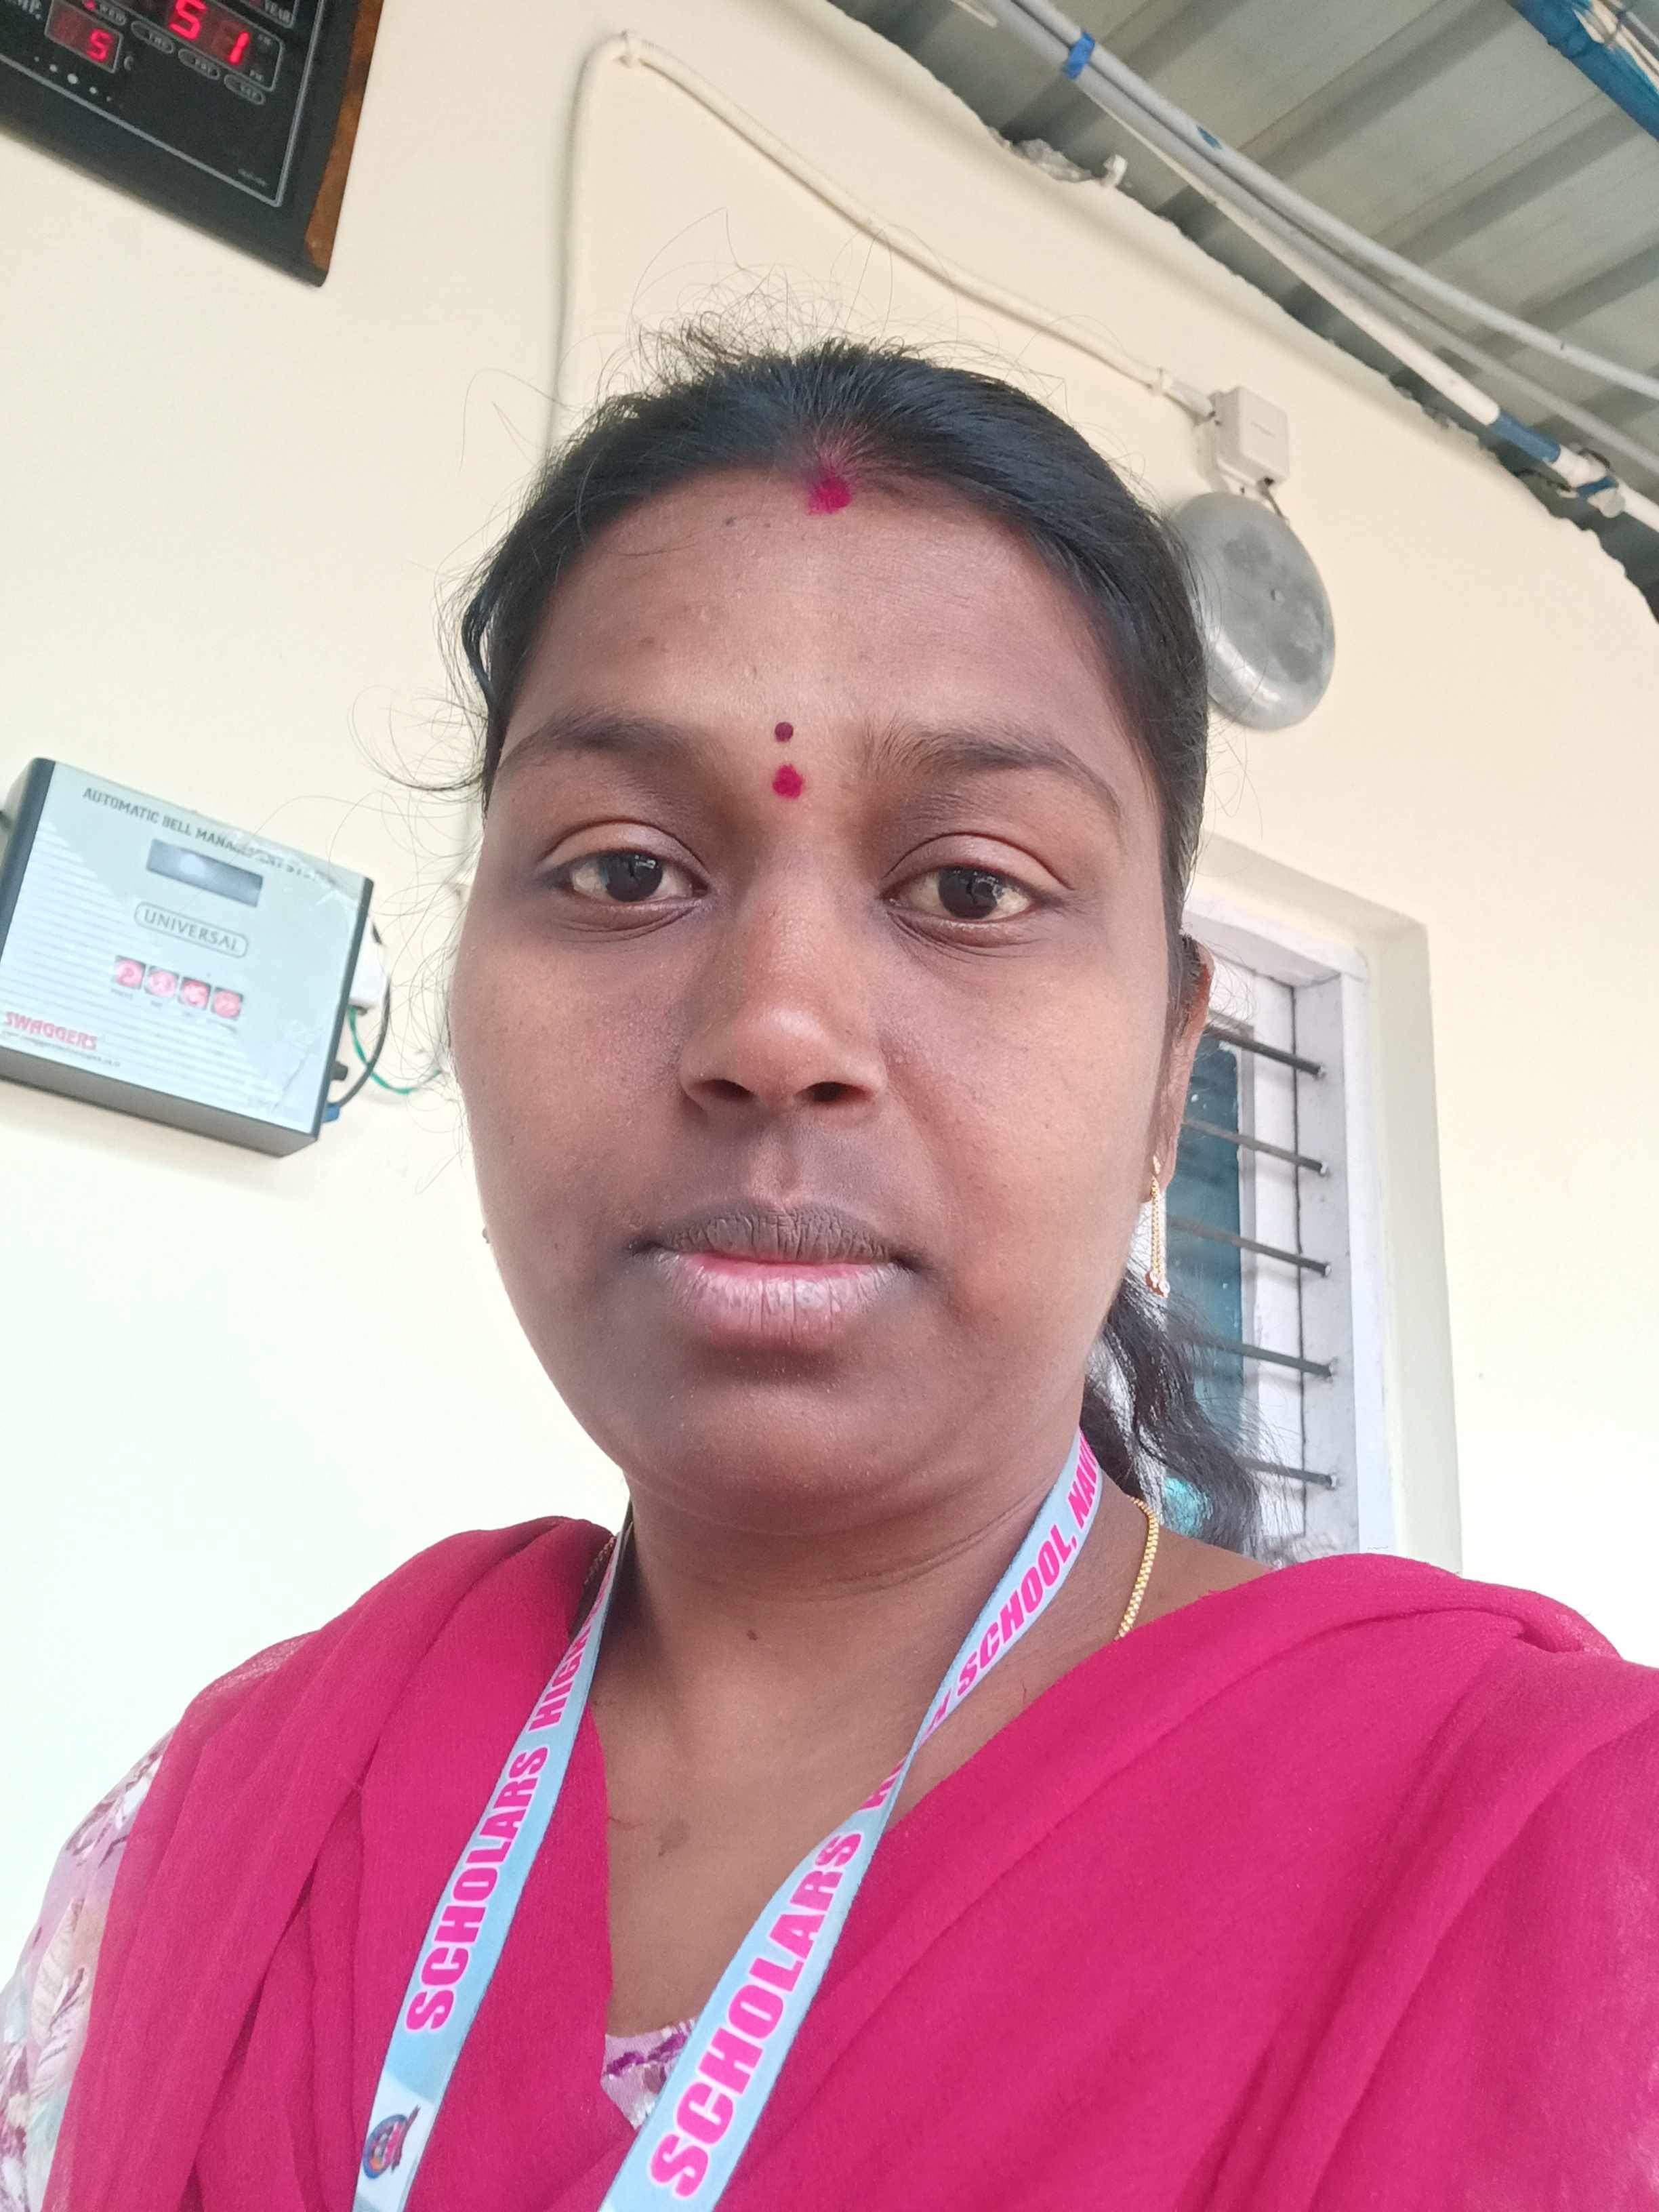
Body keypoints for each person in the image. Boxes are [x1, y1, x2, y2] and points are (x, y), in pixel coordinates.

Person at [5, 333, 1656, 2212]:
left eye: (970, 888)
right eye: (625, 872)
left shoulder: (1559, 1876)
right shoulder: (210, 1840)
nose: (776, 1031)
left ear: (1169, 1079)